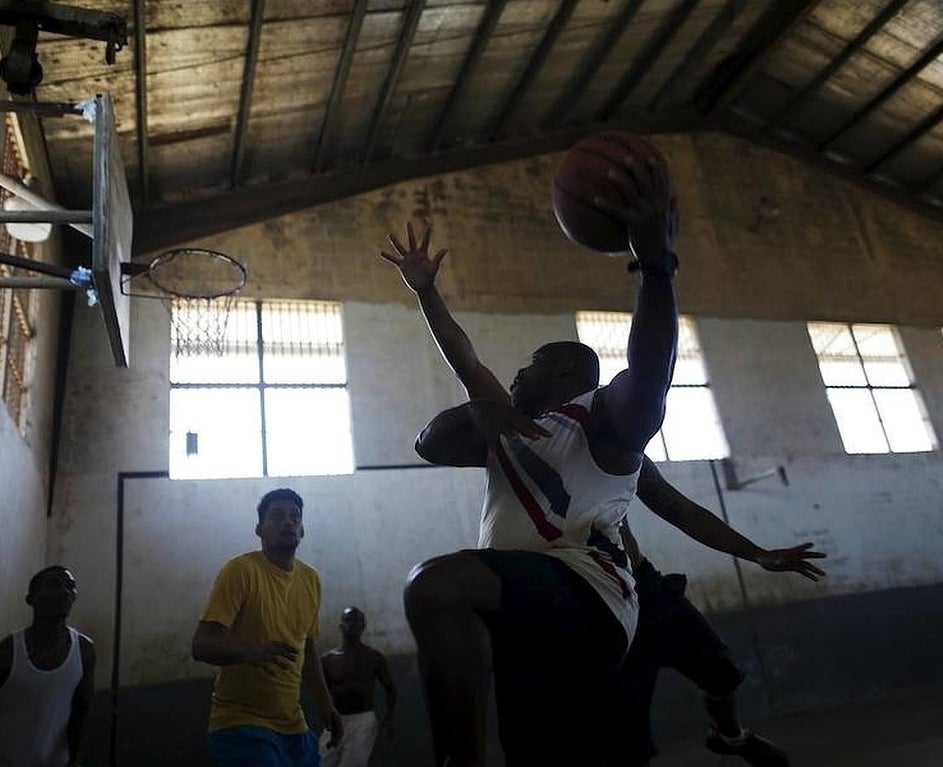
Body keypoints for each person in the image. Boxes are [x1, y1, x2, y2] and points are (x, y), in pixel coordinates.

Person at [378, 146, 680, 766]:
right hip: (522, 610)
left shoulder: (603, 420)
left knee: (435, 586)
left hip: (588, 594)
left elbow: (651, 371)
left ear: (568, 369)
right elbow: (465, 360)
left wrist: (655, 266)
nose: (517, 371)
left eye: (533, 363)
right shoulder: (510, 427)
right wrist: (426, 292)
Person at [611, 458, 826, 767]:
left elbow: (679, 509)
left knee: (721, 672)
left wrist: (757, 554)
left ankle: (730, 736)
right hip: (597, 603)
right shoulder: (530, 449)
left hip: (646, 588)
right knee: (628, 737)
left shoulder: (617, 441)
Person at [192, 487, 343, 767]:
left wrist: (325, 703)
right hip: (241, 724)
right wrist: (249, 651)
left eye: (295, 517)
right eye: (277, 516)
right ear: (259, 529)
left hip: (294, 726)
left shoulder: (311, 579)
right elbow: (201, 645)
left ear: (302, 531)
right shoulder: (240, 571)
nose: (288, 522)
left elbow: (307, 650)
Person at [0, 565, 97, 767]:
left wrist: (74, 761)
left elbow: (81, 712)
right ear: (31, 599)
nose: (64, 591)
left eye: (71, 586)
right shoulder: (1, 657)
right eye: (54, 584)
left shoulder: (85, 651)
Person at [319, 607, 397, 767]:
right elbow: (322, 693)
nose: (352, 625)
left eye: (356, 621)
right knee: (323, 762)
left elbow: (390, 688)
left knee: (352, 763)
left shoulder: (374, 658)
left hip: (363, 721)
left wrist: (389, 718)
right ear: (341, 626)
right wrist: (327, 719)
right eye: (347, 620)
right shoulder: (328, 660)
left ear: (363, 626)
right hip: (335, 721)